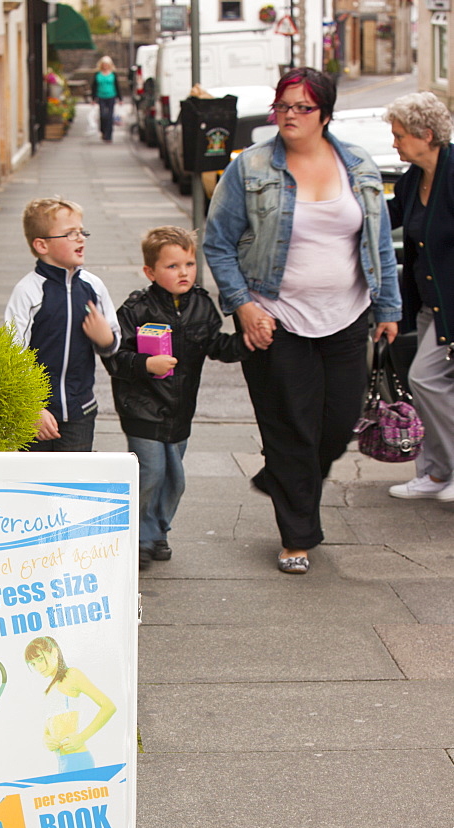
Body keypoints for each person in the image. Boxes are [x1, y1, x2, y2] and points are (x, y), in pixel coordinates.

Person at [203, 67, 401, 574]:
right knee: (291, 430)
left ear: (325, 114)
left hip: (348, 316)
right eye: (283, 106)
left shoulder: (356, 163)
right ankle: (298, 537)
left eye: (302, 108)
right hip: (276, 320)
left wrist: (388, 308)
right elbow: (218, 244)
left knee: (335, 428)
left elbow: (377, 242)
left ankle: (283, 478)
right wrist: (244, 306)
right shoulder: (249, 168)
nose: (289, 116)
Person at [103, 226, 248, 571]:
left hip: (180, 409)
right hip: (141, 406)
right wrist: (145, 363)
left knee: (174, 478)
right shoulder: (136, 308)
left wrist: (248, 343)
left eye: (189, 264)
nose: (183, 272)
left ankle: (157, 532)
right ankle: (136, 537)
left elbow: (217, 345)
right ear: (150, 272)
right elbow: (114, 356)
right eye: (172, 266)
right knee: (150, 472)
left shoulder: (201, 304)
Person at [5, 197, 120, 451]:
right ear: (41, 245)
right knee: (33, 487)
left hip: (81, 413)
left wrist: (105, 339)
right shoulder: (28, 292)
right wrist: (32, 406)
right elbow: (12, 354)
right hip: (36, 414)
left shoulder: (93, 287)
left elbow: (113, 342)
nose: (81, 239)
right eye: (70, 234)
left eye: (82, 232)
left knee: (73, 484)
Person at [384, 93, 454, 502]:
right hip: (430, 304)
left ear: (426, 135)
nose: (395, 143)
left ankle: (445, 468)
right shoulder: (414, 179)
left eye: (399, 136)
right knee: (429, 384)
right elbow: (387, 219)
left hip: (451, 309)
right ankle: (434, 473)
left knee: (424, 379)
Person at [24, 636, 116, 773]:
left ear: (54, 653)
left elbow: (109, 706)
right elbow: (48, 728)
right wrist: (46, 740)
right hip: (62, 761)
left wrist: (81, 737)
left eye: (40, 659)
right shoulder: (49, 690)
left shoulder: (71, 675)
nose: (38, 667)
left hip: (77, 759)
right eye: (33, 664)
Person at [91, 56, 122, 143]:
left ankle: (109, 135)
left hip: (111, 96)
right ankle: (103, 130)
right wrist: (93, 98)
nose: (105, 66)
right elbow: (94, 87)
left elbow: (117, 86)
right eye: (104, 64)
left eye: (107, 64)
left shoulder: (113, 74)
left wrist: (120, 98)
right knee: (103, 115)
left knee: (110, 116)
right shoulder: (97, 74)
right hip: (101, 96)